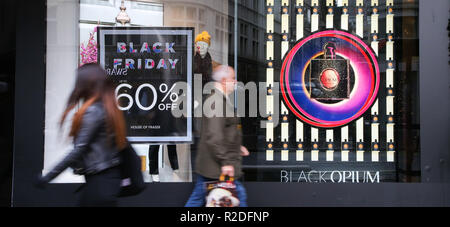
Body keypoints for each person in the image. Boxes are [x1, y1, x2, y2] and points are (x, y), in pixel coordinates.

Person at [35, 63, 127, 207]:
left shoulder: (94, 111)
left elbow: (78, 150)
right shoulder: (107, 108)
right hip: (107, 180)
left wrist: (48, 177)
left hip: (99, 183)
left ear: (86, 84)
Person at [185, 65, 249, 207]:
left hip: (214, 166)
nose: (235, 81)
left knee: (197, 199)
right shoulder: (216, 102)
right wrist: (225, 162)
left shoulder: (221, 100)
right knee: (240, 197)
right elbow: (214, 136)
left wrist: (237, 146)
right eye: (233, 78)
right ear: (224, 80)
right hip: (216, 167)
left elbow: (223, 131)